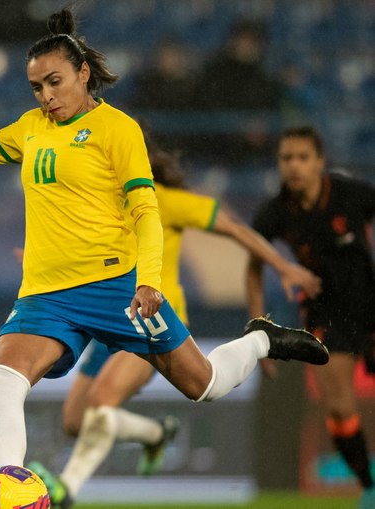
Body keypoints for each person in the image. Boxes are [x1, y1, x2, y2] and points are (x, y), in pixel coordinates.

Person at [0, 7, 329, 509]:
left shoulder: (116, 129)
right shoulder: (32, 127)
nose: (46, 96)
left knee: (202, 384)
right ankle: (3, 490)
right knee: (3, 381)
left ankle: (261, 339)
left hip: (115, 288)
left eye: (54, 82)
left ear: (83, 74)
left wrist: (149, 280)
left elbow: (145, 209)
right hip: (45, 293)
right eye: (36, 87)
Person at [25, 140, 322, 509]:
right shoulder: (98, 204)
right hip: (106, 321)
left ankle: (66, 489)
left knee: (103, 401)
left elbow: (236, 230)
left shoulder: (163, 200)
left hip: (151, 319)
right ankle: (155, 433)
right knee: (75, 421)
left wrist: (283, 266)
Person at [247, 126, 375, 509]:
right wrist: (257, 325)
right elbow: (253, 262)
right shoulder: (275, 212)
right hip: (325, 315)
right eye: (287, 158)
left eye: (303, 157)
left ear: (320, 162)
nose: (294, 166)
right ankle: (368, 486)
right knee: (338, 406)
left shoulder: (350, 194)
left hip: (370, 306)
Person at [189, 18, 285, 166]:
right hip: (217, 150)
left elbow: (273, 111)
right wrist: (240, 127)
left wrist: (262, 127)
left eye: (253, 42)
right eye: (243, 40)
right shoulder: (215, 72)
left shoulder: (264, 76)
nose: (247, 46)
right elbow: (207, 110)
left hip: (256, 152)